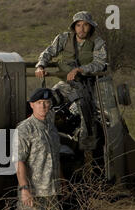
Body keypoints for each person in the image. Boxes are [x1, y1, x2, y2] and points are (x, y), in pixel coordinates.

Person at [35, 11, 107, 151]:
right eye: (78, 25)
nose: (82, 28)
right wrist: (40, 65)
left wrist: (80, 70)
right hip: (66, 85)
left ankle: (86, 154)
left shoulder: (97, 42)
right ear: (74, 27)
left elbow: (100, 63)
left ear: (90, 27)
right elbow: (48, 52)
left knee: (88, 119)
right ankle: (41, 141)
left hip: (87, 87)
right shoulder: (63, 38)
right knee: (44, 103)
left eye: (85, 25)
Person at [13, 88, 62, 210]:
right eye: (39, 103)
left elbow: (55, 159)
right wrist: (24, 189)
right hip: (33, 193)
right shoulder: (25, 129)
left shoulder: (51, 128)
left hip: (52, 192)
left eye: (47, 103)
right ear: (32, 105)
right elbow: (19, 162)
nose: (43, 106)